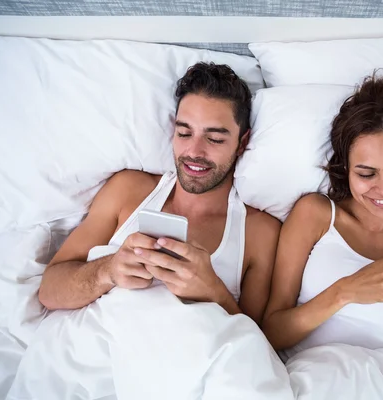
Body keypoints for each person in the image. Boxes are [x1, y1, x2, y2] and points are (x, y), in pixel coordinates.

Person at [38, 62, 281, 325]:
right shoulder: (128, 190)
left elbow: (259, 344)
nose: (194, 151)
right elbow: (50, 291)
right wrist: (107, 270)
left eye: (215, 139)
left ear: (241, 143)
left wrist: (212, 290)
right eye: (184, 133)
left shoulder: (260, 233)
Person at [261, 73, 383, 366]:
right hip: (313, 378)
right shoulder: (315, 214)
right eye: (366, 174)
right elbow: (272, 333)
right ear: (346, 167)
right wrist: (345, 291)